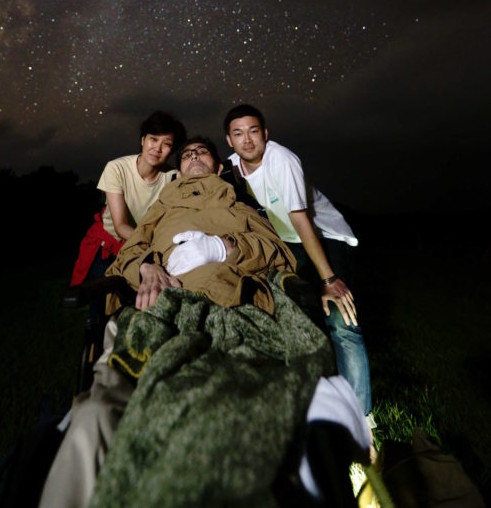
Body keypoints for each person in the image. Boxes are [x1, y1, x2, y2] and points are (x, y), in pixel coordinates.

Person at [38, 138, 370, 508]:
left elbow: (276, 253)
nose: (194, 156)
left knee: (254, 389)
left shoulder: (240, 207)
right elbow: (127, 256)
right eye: (187, 154)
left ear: (217, 167)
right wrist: (147, 265)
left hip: (234, 302)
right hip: (161, 305)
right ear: (178, 171)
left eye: (202, 152)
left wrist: (224, 247)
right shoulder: (158, 211)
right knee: (94, 413)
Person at [223, 103, 373, 419]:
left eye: (253, 131)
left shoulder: (282, 160)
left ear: (265, 133)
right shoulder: (232, 166)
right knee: (298, 316)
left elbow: (301, 220)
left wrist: (330, 280)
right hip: (289, 243)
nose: (247, 140)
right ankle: (317, 403)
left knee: (341, 319)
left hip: (323, 237)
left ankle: (362, 418)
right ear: (229, 140)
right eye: (239, 134)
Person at [69, 110, 186, 286]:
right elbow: (120, 226)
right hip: (110, 242)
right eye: (153, 139)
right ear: (142, 140)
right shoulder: (116, 168)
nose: (157, 148)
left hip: (145, 245)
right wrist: (152, 248)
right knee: (102, 298)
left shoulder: (172, 177)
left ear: (172, 150)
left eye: (166, 144)